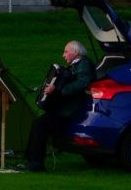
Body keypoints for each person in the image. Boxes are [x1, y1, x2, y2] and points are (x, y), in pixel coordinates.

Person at [23, 41, 96, 172]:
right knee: (38, 123)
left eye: (66, 51)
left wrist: (58, 90)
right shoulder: (76, 65)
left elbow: (82, 83)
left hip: (69, 110)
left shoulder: (84, 64)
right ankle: (31, 159)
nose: (63, 55)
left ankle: (36, 162)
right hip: (64, 108)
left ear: (76, 52)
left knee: (40, 125)